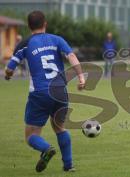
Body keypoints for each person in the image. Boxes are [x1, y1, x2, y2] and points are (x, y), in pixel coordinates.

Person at [5, 11, 85, 172]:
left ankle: (46, 149)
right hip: (60, 92)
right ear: (45, 24)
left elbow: (9, 67)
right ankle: (69, 166)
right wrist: (81, 77)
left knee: (31, 135)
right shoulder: (57, 39)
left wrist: (8, 75)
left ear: (29, 26)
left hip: (40, 93)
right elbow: (71, 56)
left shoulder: (25, 44)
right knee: (59, 127)